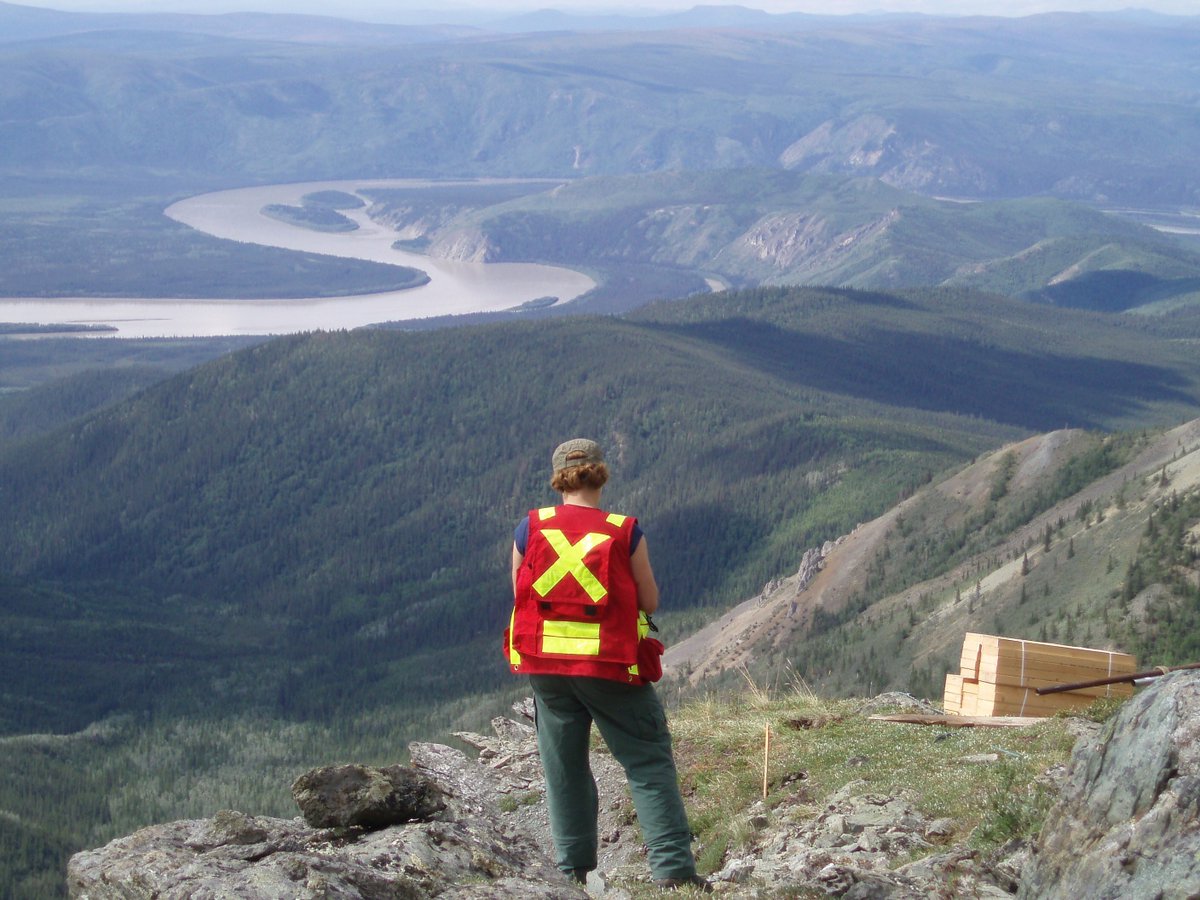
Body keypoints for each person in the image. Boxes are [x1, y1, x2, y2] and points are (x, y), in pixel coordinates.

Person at [504, 438, 711, 892]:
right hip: (610, 665)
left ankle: (571, 875)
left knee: (564, 767)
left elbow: (519, 590)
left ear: (558, 478)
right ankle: (673, 871)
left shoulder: (530, 527)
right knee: (646, 757)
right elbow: (649, 601)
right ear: (601, 475)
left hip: (546, 667)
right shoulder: (623, 531)